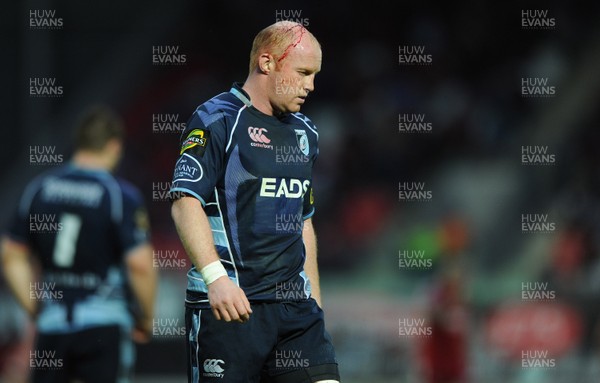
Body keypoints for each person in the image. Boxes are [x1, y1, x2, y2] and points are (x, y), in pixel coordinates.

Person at [169, 21, 340, 382]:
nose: (311, 85)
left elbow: (303, 222)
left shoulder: (304, 133)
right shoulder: (217, 119)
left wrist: (317, 305)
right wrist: (216, 279)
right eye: (304, 72)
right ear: (267, 62)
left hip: (296, 313)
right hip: (231, 308)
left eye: (315, 75)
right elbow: (185, 202)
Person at [1, 105, 157, 383]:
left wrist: (35, 307)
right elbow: (140, 265)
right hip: (104, 324)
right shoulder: (119, 195)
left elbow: (11, 255)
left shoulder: (40, 187)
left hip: (54, 324)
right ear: (113, 145)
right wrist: (145, 318)